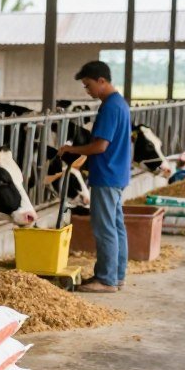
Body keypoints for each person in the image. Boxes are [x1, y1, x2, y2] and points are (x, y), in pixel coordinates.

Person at [57, 60, 131, 293]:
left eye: (88, 85)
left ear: (102, 81)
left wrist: (71, 150)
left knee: (104, 227)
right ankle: (115, 276)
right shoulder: (120, 104)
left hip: (106, 175)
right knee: (116, 226)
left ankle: (106, 279)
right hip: (116, 173)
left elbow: (100, 146)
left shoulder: (110, 107)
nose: (87, 90)